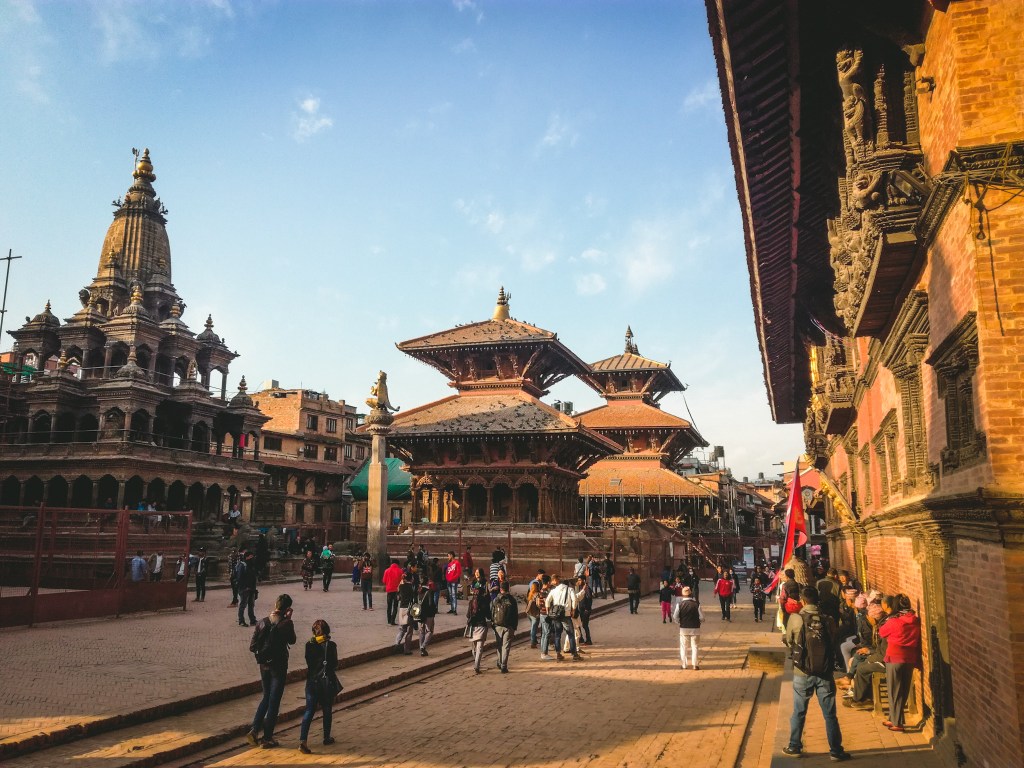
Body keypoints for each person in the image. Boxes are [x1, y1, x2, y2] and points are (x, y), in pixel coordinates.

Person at [783, 586, 851, 761]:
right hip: (825, 673)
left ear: (803, 601)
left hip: (802, 672)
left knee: (799, 711)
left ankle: (794, 746)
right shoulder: (828, 620)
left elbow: (789, 641)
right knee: (830, 714)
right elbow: (834, 640)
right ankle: (836, 750)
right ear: (817, 600)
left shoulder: (796, 618)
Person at [247, 594, 296, 749]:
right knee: (274, 701)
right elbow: (292, 640)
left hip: (264, 666)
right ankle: (267, 738)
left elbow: (252, 646)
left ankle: (255, 729)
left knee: (266, 696)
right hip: (279, 666)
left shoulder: (262, 622)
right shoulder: (286, 624)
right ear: (287, 608)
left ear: (275, 604)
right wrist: (288, 619)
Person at [878, 593, 921, 732]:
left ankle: (897, 722)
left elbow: (882, 632)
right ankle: (896, 718)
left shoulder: (894, 621)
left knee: (894, 691)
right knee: (903, 690)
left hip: (894, 658)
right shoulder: (915, 621)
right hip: (909, 659)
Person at [298, 618, 339, 754]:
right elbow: (334, 664)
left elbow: (308, 662)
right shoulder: (331, 645)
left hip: (312, 681)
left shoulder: (309, 645)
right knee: (327, 709)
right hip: (325, 682)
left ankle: (303, 740)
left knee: (309, 710)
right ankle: (326, 737)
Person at [544, 573, 581, 661]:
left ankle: (558, 654)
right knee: (571, 634)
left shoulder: (554, 590)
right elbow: (575, 600)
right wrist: (573, 610)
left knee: (557, 634)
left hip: (556, 615)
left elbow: (547, 601)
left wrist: (548, 611)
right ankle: (574, 654)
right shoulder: (570, 589)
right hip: (566, 614)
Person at [672, 586, 705, 669]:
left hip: (684, 629)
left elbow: (675, 617)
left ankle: (684, 665)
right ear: (691, 594)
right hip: (695, 628)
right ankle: (695, 665)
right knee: (695, 647)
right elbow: (702, 617)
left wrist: (680, 622)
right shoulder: (696, 604)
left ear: (682, 595)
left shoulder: (679, 604)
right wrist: (699, 621)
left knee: (683, 647)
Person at [491, 580, 518, 672]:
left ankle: (499, 661)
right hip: (509, 626)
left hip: (497, 625)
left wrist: (493, 623)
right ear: (508, 588)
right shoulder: (512, 600)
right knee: (505, 646)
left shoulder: (496, 599)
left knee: (499, 645)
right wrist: (514, 626)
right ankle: (504, 665)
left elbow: (492, 611)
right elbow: (515, 614)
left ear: (500, 588)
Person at [466, 577, 491, 674]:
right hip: (481, 625)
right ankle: (477, 665)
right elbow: (488, 615)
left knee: (474, 648)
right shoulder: (484, 602)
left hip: (473, 626)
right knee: (480, 648)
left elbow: (468, 615)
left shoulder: (471, 602)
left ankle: (476, 662)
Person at [395, 569, 417, 655]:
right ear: (411, 579)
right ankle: (406, 649)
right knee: (409, 631)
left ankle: (397, 643)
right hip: (409, 609)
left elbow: (398, 598)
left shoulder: (401, 586)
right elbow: (414, 600)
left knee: (402, 629)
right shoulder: (411, 587)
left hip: (401, 608)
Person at [237, 551, 259, 627]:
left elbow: (253, 578)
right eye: (251, 557)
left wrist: (254, 589)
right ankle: (241, 621)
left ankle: (252, 620)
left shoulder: (252, 566)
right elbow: (239, 578)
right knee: (243, 605)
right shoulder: (242, 565)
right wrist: (244, 587)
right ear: (246, 557)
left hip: (252, 589)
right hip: (245, 589)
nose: (252, 558)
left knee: (251, 605)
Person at [526, 569, 545, 648]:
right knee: (534, 627)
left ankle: (534, 640)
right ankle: (533, 642)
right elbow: (538, 604)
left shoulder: (531, 592)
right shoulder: (536, 594)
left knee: (533, 626)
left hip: (529, 611)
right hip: (534, 612)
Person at [418, 580, 438, 656]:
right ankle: (423, 646)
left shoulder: (419, 592)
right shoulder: (429, 592)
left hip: (420, 615)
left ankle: (421, 648)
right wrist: (434, 610)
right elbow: (431, 604)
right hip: (429, 615)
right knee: (429, 631)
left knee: (421, 631)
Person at [383, 559, 404, 624]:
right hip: (397, 591)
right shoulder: (400, 571)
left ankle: (389, 620)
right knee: (395, 606)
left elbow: (384, 581)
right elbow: (402, 581)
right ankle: (392, 620)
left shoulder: (387, 570)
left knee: (389, 606)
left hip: (389, 590)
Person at [575, 575, 593, 646]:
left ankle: (588, 639)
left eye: (580, 580)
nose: (579, 582)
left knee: (585, 625)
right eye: (578, 580)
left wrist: (587, 608)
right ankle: (581, 638)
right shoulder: (580, 587)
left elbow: (589, 599)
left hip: (585, 609)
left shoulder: (587, 588)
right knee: (578, 624)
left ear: (584, 580)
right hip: (581, 609)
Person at [444, 551, 462, 615]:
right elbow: (447, 572)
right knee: (451, 595)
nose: (448, 557)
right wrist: (447, 578)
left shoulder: (456, 563)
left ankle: (454, 609)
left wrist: (454, 578)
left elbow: (458, 572)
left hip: (454, 581)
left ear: (451, 555)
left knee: (454, 595)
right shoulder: (449, 564)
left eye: (448, 556)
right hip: (449, 581)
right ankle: (452, 608)